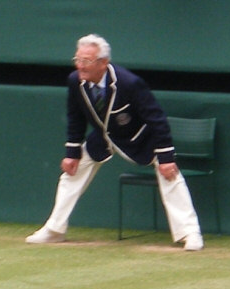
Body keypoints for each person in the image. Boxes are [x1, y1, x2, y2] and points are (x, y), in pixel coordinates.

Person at [26, 34, 204, 251]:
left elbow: (156, 119)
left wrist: (166, 157)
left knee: (170, 175)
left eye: (87, 61)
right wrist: (72, 152)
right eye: (78, 59)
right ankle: (54, 230)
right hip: (103, 139)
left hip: (140, 139)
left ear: (103, 63)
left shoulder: (130, 83)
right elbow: (76, 117)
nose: (80, 66)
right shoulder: (75, 81)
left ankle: (190, 232)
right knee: (71, 173)